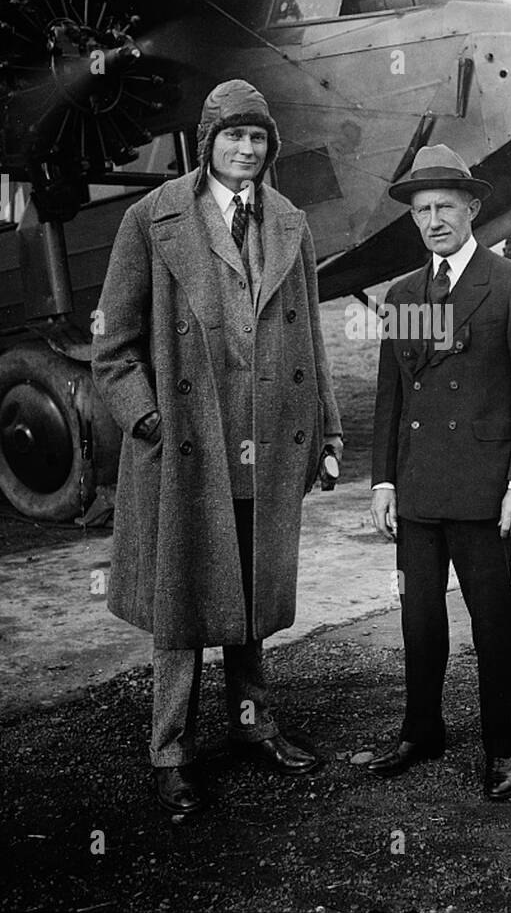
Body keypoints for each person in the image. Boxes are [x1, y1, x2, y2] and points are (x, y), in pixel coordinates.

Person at [92, 80, 343, 815]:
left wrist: (326, 431)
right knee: (181, 609)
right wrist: (150, 423)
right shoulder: (151, 218)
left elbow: (313, 343)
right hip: (186, 452)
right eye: (233, 137)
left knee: (251, 594)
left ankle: (253, 724)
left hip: (263, 445)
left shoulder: (290, 223)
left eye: (258, 138)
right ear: (208, 144)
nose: (246, 150)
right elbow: (111, 344)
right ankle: (170, 751)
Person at [367, 143, 511, 801]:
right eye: (422, 209)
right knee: (419, 621)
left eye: (446, 205)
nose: (434, 219)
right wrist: (383, 481)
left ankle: (500, 746)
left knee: (491, 620)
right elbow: (393, 395)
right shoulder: (403, 294)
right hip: (418, 489)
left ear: (473, 207)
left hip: (484, 490)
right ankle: (422, 731)